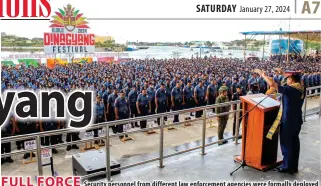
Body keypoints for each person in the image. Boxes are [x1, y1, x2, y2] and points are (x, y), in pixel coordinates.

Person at [255, 68, 305, 174]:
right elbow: (288, 82)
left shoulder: (291, 90)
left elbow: (273, 85)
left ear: (291, 79)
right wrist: (283, 73)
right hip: (296, 119)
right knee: (294, 144)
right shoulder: (300, 86)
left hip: (289, 120)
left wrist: (262, 74)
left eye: (287, 78)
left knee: (287, 144)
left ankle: (287, 167)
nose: (286, 80)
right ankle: (293, 166)